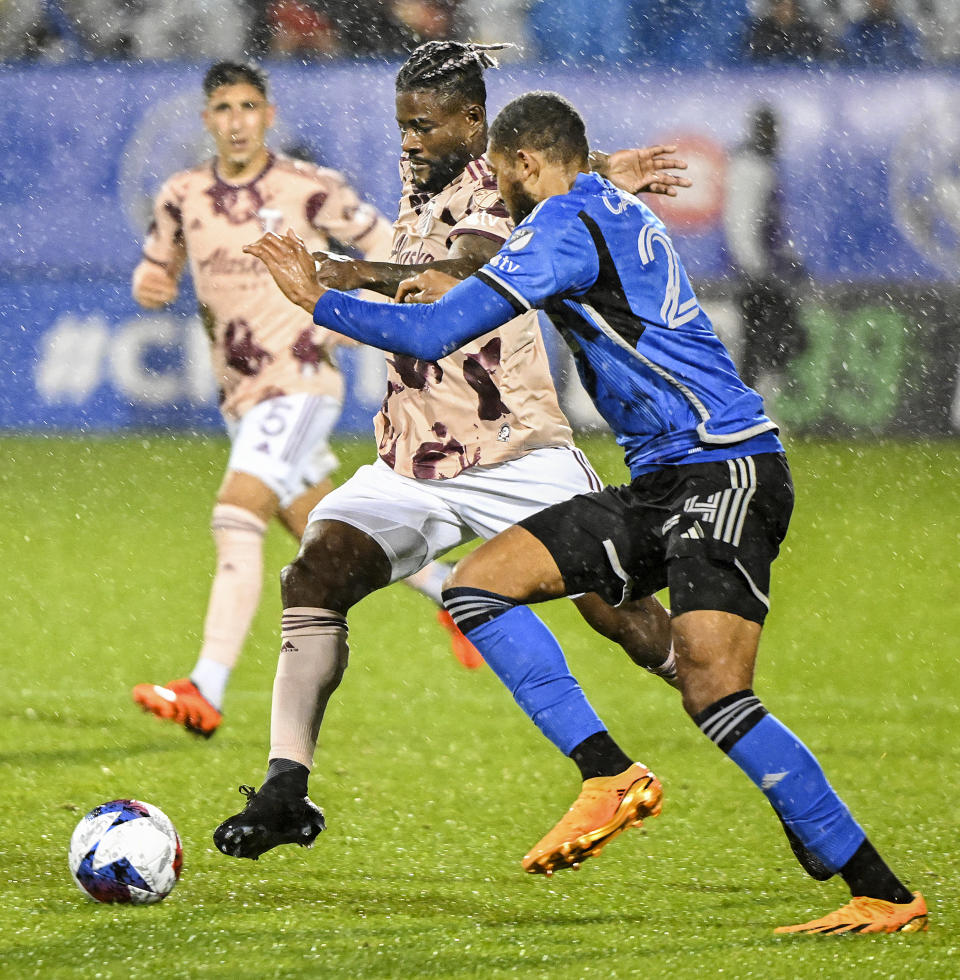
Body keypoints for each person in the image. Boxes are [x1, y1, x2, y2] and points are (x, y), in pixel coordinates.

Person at [242, 90, 928, 936]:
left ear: (526, 164)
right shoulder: (604, 206)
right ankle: (608, 774)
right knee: (480, 589)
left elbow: (437, 335)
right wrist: (441, 276)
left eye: (500, 173)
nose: (495, 188)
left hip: (727, 468)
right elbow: (504, 274)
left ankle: (882, 892)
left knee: (713, 689)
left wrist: (317, 298)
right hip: (662, 482)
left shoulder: (562, 226)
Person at [212, 41, 692, 862]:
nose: (409, 142)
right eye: (403, 126)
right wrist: (611, 163)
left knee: (619, 615)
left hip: (515, 450)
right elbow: (534, 160)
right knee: (315, 575)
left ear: (474, 126)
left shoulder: (502, 196)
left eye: (425, 128)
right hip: (413, 464)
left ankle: (717, 695)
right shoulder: (432, 169)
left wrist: (335, 272)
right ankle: (287, 790)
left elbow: (464, 268)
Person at [130, 59, 473, 738]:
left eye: (248, 107)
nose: (236, 121)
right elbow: (158, 262)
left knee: (236, 514)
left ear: (269, 115)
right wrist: (152, 282)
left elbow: (390, 247)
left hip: (301, 378)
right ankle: (452, 588)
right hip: (243, 396)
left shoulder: (308, 188)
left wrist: (381, 307)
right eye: (223, 109)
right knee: (327, 531)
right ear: (208, 120)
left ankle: (205, 686)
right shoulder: (181, 194)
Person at [723, 104, 807, 390]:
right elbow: (743, 225)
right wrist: (756, 270)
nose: (774, 138)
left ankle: (752, 404)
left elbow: (766, 226)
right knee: (763, 343)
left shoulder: (757, 166)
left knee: (763, 343)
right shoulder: (752, 167)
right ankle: (752, 405)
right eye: (770, 131)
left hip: (762, 272)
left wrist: (785, 258)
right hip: (758, 275)